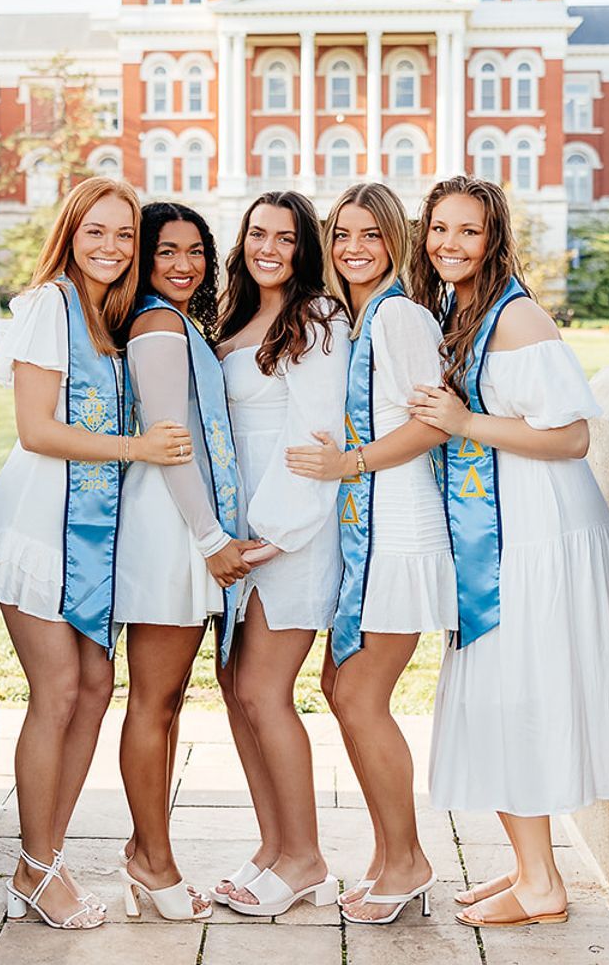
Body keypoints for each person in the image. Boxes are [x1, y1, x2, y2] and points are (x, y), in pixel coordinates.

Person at [0, 176, 192, 932]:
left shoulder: (110, 315)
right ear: (70, 233)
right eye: (96, 231)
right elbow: (35, 429)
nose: (111, 246)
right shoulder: (48, 308)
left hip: (86, 533)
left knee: (95, 684)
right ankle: (36, 866)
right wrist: (138, 447)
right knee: (59, 689)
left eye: (124, 235)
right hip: (37, 527)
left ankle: (45, 858)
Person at [406, 176, 609, 930]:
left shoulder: (520, 320)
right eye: (440, 228)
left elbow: (572, 437)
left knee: (517, 696)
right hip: (498, 534)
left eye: (468, 232)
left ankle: (542, 886)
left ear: (494, 239)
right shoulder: (457, 310)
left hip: (539, 537)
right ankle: (528, 866)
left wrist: (466, 422)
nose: (450, 244)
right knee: (501, 696)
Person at [284, 181, 453, 925]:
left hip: (401, 528)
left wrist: (348, 464)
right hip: (368, 527)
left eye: (370, 235)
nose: (354, 248)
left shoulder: (401, 318)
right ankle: (390, 856)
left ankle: (409, 860)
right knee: (341, 686)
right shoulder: (359, 318)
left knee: (357, 693)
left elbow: (435, 423)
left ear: (396, 241)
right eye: (342, 234)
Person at [113, 202, 250, 921]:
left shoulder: (180, 323)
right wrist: (210, 540)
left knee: (165, 704)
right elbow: (171, 440)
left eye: (196, 251)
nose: (184, 265)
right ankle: (152, 863)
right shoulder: (160, 326)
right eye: (167, 251)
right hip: (171, 528)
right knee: (154, 702)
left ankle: (148, 854)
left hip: (184, 524)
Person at [213, 190, 348, 918]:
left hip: (285, 535)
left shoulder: (318, 319)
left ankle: (305, 858)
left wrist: (271, 535)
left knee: (265, 692)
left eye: (287, 237)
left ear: (305, 248)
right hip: (235, 538)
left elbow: (317, 433)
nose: (270, 247)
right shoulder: (233, 319)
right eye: (258, 233)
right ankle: (273, 845)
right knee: (235, 690)